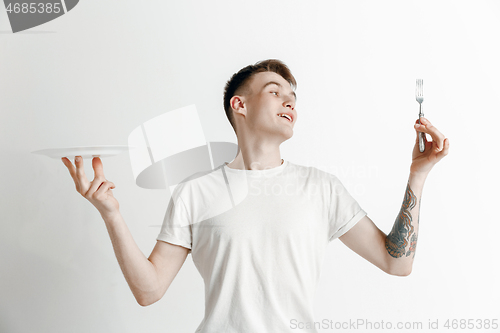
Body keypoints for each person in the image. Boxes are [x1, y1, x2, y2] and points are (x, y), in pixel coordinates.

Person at [61, 59, 450, 332]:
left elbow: (397, 263)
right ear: (239, 105)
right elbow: (149, 291)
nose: (290, 101)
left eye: (293, 96)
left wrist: (418, 175)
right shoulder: (196, 192)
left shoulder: (321, 188)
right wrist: (111, 213)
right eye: (275, 91)